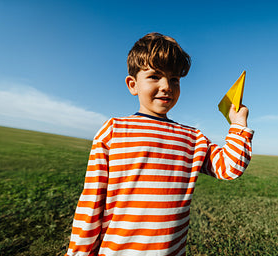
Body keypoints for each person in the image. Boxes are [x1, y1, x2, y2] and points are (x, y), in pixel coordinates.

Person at [66, 32, 254, 256]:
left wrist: (238, 124)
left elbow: (230, 168)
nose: (166, 86)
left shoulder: (193, 138)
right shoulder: (113, 131)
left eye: (174, 79)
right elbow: (91, 202)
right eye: (155, 76)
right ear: (132, 84)